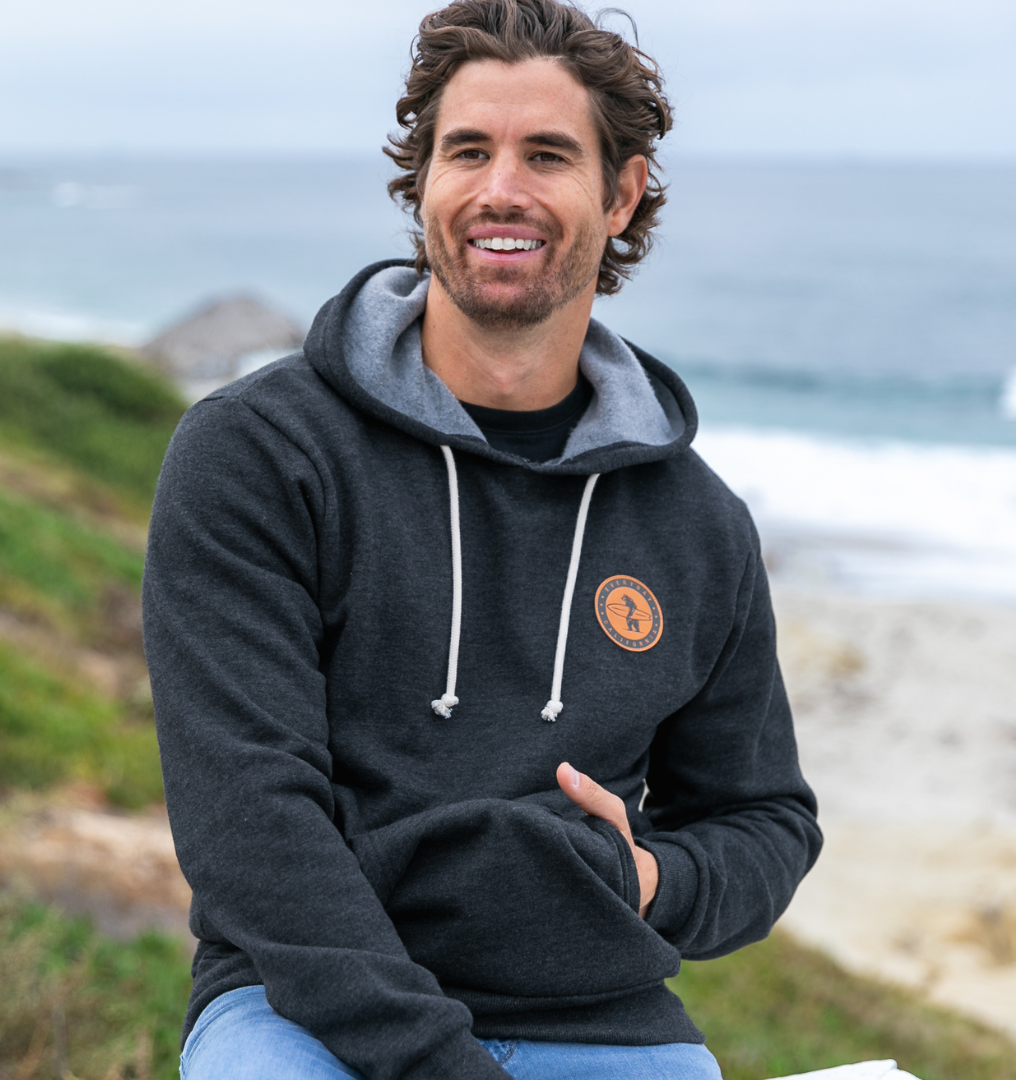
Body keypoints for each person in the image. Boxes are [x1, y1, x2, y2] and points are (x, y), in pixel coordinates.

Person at [142, 1, 822, 1078]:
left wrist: (654, 884)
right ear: (423, 186)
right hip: (302, 1011)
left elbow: (765, 818)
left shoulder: (698, 524)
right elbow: (249, 825)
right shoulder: (261, 455)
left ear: (622, 192)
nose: (501, 189)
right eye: (468, 151)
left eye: (547, 154)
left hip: (604, 1018)